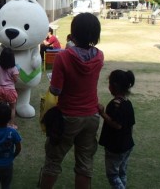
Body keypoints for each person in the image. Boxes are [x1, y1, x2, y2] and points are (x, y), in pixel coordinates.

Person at [39, 13, 104, 189]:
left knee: (53, 160)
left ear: (74, 32)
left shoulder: (64, 57)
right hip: (91, 116)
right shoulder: (99, 56)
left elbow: (56, 90)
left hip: (68, 117)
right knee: (84, 163)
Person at [98, 70, 136, 189]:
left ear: (114, 86)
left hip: (115, 147)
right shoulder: (127, 102)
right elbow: (130, 124)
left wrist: (102, 113)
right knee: (122, 172)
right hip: (127, 144)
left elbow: (117, 125)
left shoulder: (115, 104)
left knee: (113, 175)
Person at [0, 102, 22, 189]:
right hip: (8, 164)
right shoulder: (13, 132)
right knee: (6, 185)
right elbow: (18, 147)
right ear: (9, 118)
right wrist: (12, 156)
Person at [0, 47, 19, 129]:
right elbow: (15, 80)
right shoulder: (14, 68)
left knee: (3, 108)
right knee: (12, 108)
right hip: (10, 90)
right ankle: (11, 125)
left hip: (0, 89)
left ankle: (3, 124)